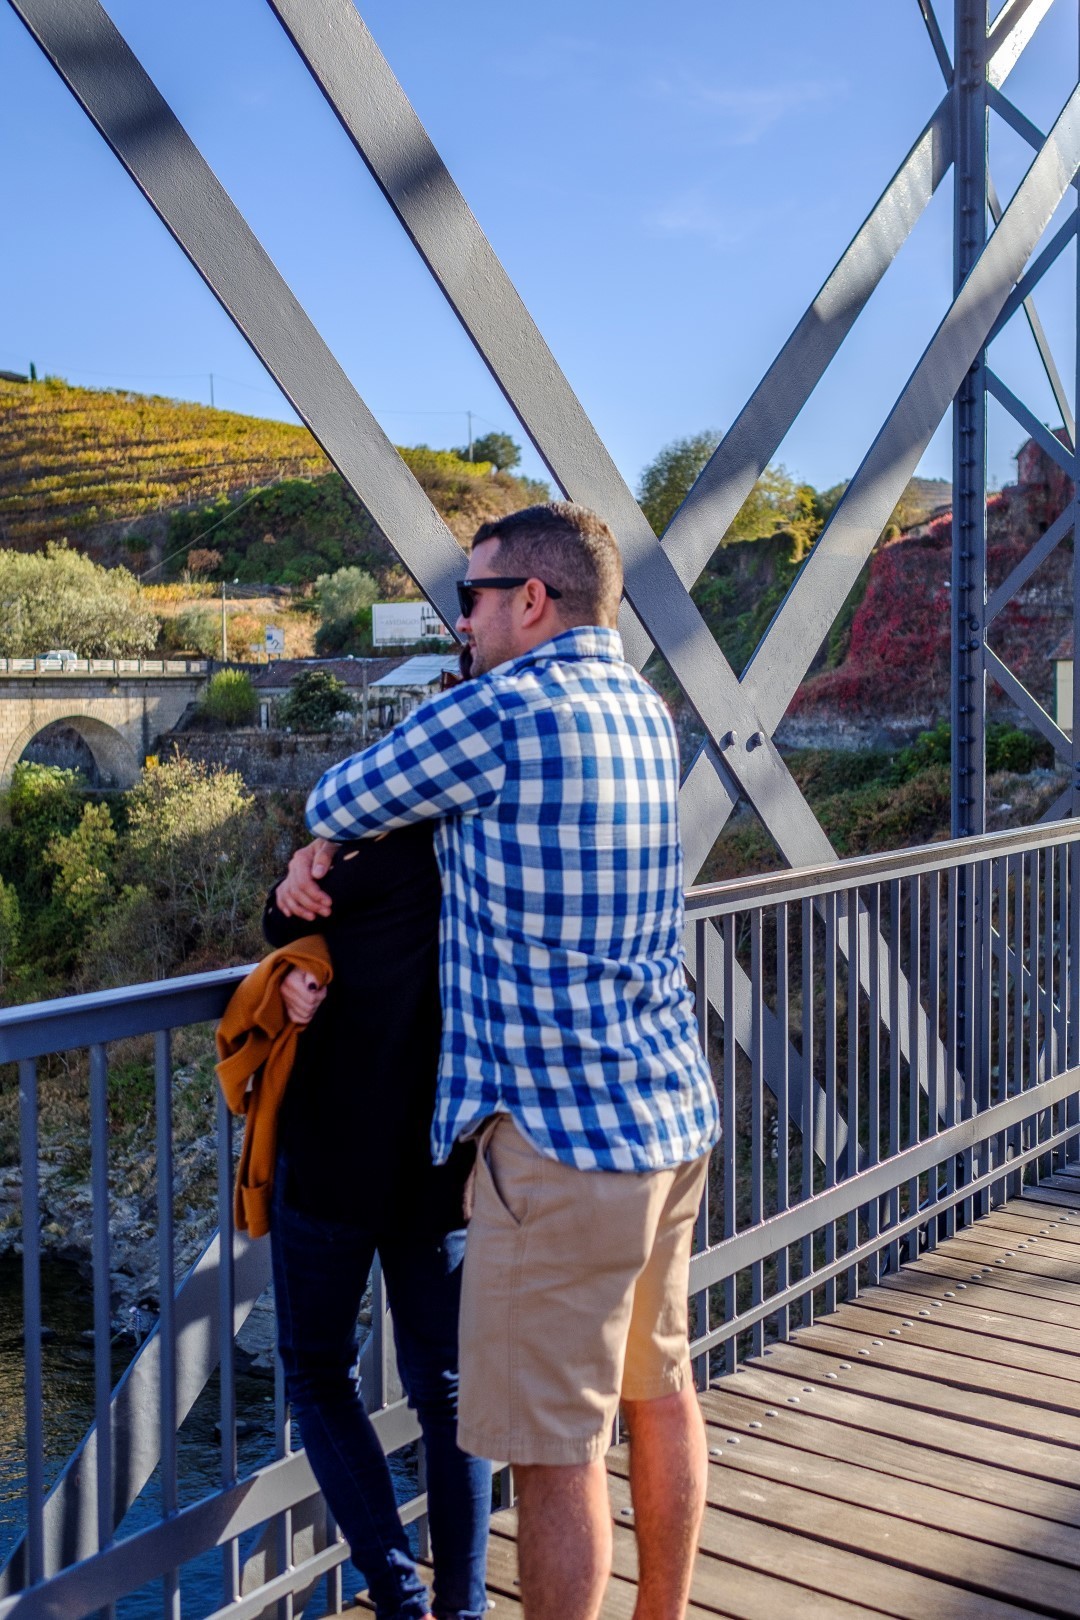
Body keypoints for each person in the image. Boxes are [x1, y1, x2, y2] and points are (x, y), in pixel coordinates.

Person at [276, 501, 720, 1620]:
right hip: (669, 1114)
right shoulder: (642, 707)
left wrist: (321, 842)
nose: (459, 621)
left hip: (559, 1148)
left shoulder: (505, 709)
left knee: (555, 1451)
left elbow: (339, 797)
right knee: (661, 1396)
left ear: (530, 599)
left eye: (468, 598)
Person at [266, 824, 490, 1620]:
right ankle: (463, 1606)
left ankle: (399, 1597)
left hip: (334, 1154)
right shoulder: (496, 857)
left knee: (320, 1375)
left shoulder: (379, 859)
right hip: (442, 1162)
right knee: (450, 1390)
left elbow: (284, 921)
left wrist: (305, 865)